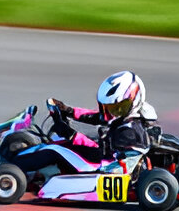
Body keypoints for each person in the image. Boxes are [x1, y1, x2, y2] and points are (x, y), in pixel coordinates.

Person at [14, 70, 158, 176]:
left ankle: (14, 169)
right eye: (110, 107)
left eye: (118, 107)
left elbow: (98, 150)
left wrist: (70, 134)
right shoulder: (127, 117)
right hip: (105, 157)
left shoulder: (129, 131)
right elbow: (99, 117)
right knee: (57, 142)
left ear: (134, 100)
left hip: (105, 167)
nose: (113, 112)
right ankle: (23, 163)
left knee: (55, 150)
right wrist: (68, 110)